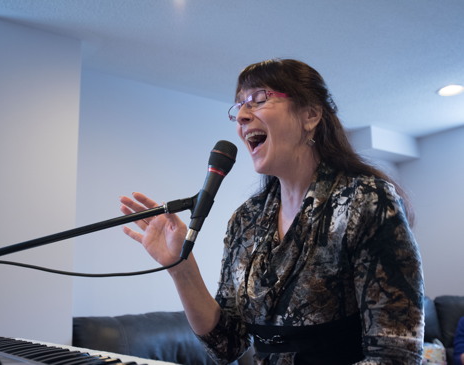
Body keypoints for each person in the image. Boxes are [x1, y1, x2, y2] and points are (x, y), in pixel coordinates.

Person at [119, 59, 425, 364]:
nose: (241, 115)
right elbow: (226, 344)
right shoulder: (246, 220)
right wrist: (180, 267)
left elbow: (397, 355)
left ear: (311, 114)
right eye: (238, 106)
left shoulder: (365, 199)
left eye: (258, 99)